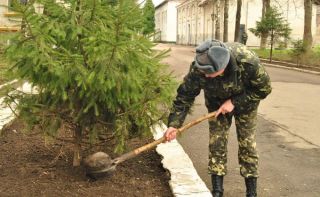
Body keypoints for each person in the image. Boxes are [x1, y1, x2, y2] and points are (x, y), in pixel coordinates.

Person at [164, 40, 272, 197]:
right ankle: (217, 191)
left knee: (247, 144)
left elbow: (264, 89)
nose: (205, 75)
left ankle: (251, 192)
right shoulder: (199, 67)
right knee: (217, 142)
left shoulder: (247, 61)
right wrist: (174, 124)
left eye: (209, 73)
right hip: (216, 104)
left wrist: (234, 102)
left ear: (222, 67)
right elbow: (184, 96)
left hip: (245, 104)